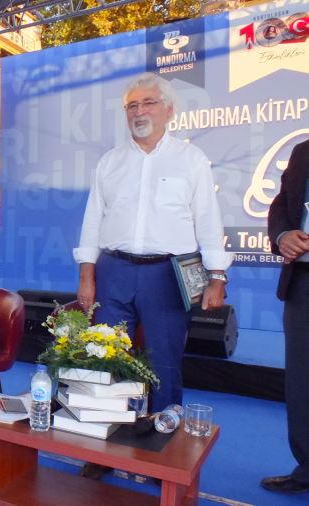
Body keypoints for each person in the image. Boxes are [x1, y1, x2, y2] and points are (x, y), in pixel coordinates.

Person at [74, 73, 231, 414]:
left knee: (164, 362)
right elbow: (92, 220)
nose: (139, 111)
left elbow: (207, 219)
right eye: (131, 106)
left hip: (167, 275)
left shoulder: (191, 159)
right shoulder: (110, 161)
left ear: (169, 110)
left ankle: (163, 435)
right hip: (113, 270)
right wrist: (86, 275)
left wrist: (217, 276)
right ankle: (108, 432)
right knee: (106, 356)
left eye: (148, 103)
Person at [263, 139, 309, 495]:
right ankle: (307, 469)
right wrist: (282, 235)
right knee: (302, 382)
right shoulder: (303, 151)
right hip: (303, 281)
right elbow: (281, 204)